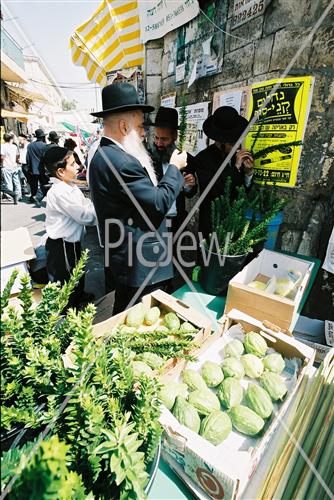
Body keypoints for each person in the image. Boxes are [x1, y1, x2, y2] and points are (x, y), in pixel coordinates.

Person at [89, 82, 186, 313]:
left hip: (127, 258)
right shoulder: (121, 162)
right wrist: (174, 168)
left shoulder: (106, 154)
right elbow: (159, 203)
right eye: (141, 126)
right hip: (140, 263)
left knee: (127, 314)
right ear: (124, 126)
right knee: (138, 320)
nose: (144, 133)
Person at [44, 146, 97, 308]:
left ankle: (79, 295)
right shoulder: (59, 192)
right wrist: (102, 207)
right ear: (60, 171)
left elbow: (85, 204)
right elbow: (84, 216)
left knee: (77, 271)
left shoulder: (70, 186)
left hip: (72, 243)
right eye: (73, 164)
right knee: (66, 280)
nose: (77, 167)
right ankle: (68, 310)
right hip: (62, 245)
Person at [195, 106, 254, 238]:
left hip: (234, 221)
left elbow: (243, 191)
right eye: (231, 143)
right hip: (211, 222)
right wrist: (236, 168)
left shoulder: (236, 156)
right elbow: (213, 190)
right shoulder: (202, 159)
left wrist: (248, 174)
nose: (236, 147)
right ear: (219, 141)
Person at [150, 107, 198, 238]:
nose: (159, 143)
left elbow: (191, 193)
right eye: (156, 138)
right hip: (154, 223)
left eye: (164, 139)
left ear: (175, 137)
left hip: (177, 222)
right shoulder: (147, 159)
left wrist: (189, 186)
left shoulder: (187, 159)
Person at [26, 128, 48, 205]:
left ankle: (33, 196)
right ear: (42, 137)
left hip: (33, 168)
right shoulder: (45, 146)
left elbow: (28, 158)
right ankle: (40, 197)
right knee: (44, 184)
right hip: (42, 169)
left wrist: (29, 167)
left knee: (33, 184)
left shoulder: (30, 146)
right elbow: (46, 158)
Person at [0, 133, 21, 204]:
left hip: (7, 166)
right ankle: (19, 195)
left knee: (8, 182)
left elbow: (2, 157)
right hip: (14, 165)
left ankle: (10, 197)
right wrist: (16, 161)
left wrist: (2, 164)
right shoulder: (14, 146)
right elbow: (17, 156)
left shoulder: (3, 146)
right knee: (17, 182)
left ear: (4, 139)